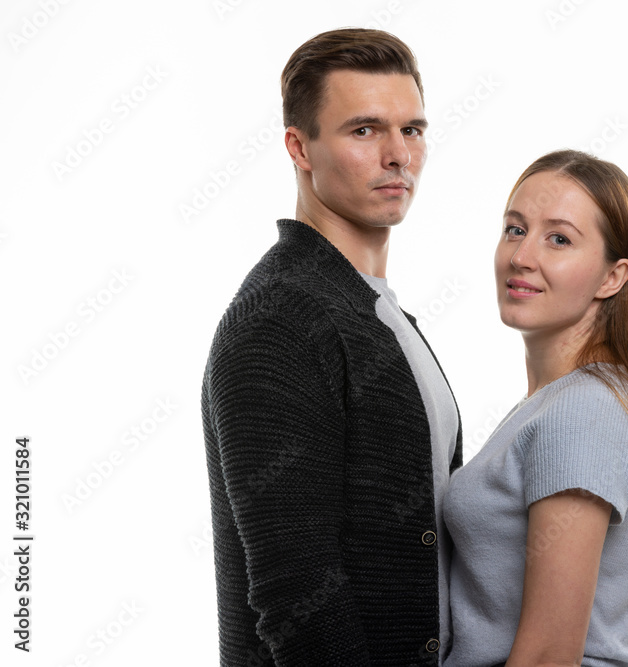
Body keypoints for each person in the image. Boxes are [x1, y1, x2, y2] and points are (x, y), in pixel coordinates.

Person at [201, 28, 462, 666]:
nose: (398, 154)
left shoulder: (377, 310)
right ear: (300, 147)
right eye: (365, 130)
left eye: (413, 129)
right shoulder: (280, 317)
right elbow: (297, 593)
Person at [443, 150, 628, 667]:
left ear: (613, 277)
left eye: (558, 239)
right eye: (515, 229)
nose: (522, 256)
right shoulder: (563, 403)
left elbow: (547, 658)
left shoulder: (583, 413)